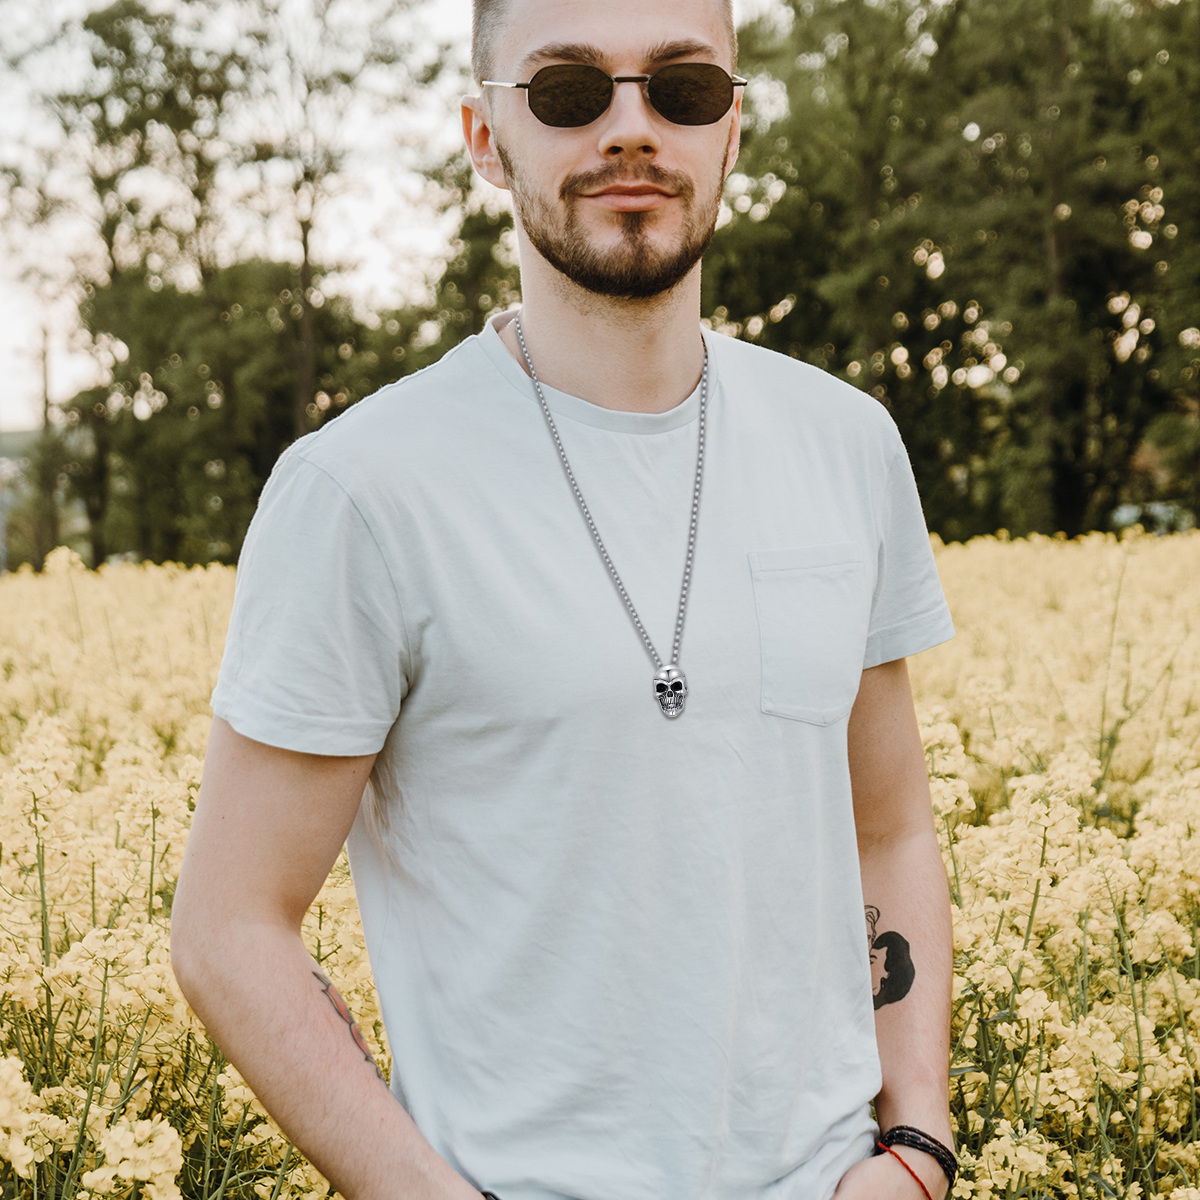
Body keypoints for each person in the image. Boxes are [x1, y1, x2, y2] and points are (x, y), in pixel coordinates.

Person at [170, 0, 959, 1197]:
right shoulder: (361, 489)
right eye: (568, 91)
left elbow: (889, 827)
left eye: (684, 90)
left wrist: (915, 1149)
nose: (632, 128)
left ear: (732, 130)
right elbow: (229, 930)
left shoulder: (848, 444)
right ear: (487, 138)